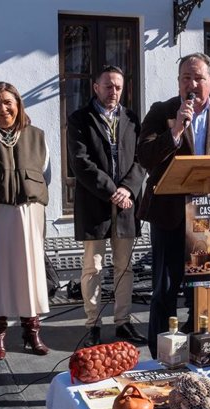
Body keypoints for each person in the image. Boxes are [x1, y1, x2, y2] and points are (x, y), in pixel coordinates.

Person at [137, 52, 210, 358]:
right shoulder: (162, 112)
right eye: (186, 77)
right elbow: (144, 157)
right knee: (164, 290)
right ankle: (160, 355)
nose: (192, 84)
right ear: (179, 82)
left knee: (205, 291)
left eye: (199, 78)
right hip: (169, 215)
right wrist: (174, 133)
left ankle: (203, 349)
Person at [67, 66, 146, 347]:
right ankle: (93, 325)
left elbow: (141, 159)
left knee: (124, 267)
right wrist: (113, 191)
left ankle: (123, 323)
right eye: (109, 86)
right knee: (93, 267)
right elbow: (80, 162)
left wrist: (128, 189)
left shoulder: (131, 119)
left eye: (118, 87)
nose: (114, 92)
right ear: (96, 87)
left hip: (126, 205)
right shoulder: (80, 119)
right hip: (95, 204)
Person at [0, 82, 50, 360]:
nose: (3, 108)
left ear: (18, 105)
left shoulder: (37, 136)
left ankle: (32, 333)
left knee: (29, 273)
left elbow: (46, 174)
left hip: (29, 212)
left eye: (8, 102)